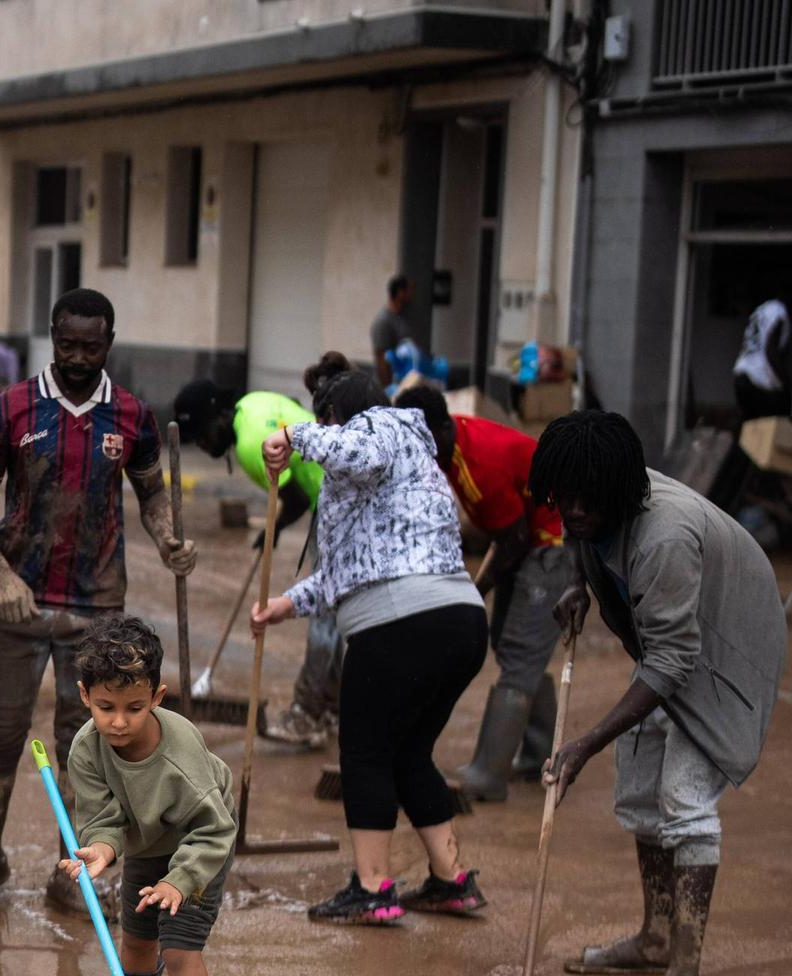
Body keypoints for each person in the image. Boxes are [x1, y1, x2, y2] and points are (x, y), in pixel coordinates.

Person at [537, 410, 786, 976]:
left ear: (616, 493)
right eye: (560, 499)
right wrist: (578, 585)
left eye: (581, 501)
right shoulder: (595, 492)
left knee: (683, 796)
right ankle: (654, 937)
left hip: (727, 646)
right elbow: (579, 532)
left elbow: (676, 661)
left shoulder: (664, 538)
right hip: (673, 640)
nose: (570, 511)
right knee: (641, 784)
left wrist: (584, 744)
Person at [0, 287, 196, 916]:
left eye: (91, 346)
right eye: (68, 344)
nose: (79, 356)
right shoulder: (12, 407)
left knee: (85, 742)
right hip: (20, 604)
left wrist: (168, 538)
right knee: (3, 730)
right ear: (52, 337)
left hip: (97, 607)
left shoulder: (133, 416)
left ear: (109, 343)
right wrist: (2, 576)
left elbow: (152, 494)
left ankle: (72, 872)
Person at [251, 352, 488, 925]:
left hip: (401, 627)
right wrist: (287, 604)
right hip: (456, 621)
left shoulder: (382, 427)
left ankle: (373, 888)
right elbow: (349, 571)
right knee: (408, 753)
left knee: (364, 754)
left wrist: (291, 434)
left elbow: (356, 447)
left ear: (336, 414)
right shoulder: (404, 464)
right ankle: (451, 881)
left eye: (324, 423)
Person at [61, 615, 236, 976]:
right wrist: (101, 847)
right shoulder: (86, 749)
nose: (119, 721)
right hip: (145, 837)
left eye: (135, 708)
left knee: (179, 949)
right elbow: (102, 817)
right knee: (137, 935)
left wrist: (180, 881)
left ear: (157, 697)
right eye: (106, 707)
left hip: (200, 839)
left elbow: (214, 827)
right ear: (84, 696)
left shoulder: (181, 758)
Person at [395, 385, 571, 800]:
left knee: (521, 652)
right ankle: (539, 754)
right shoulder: (452, 442)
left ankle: (488, 774)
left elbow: (511, 539)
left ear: (436, 429)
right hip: (528, 538)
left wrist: (474, 594)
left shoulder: (478, 470)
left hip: (555, 545)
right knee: (509, 644)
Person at [172, 377, 338, 748]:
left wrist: (273, 529)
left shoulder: (249, 446)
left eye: (202, 434)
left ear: (218, 416)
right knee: (339, 611)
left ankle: (308, 712)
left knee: (327, 613)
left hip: (336, 504)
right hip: (336, 493)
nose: (202, 444)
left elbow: (293, 499)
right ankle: (330, 709)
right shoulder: (253, 403)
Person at [732, 298, 790, 421]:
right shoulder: (779, 311)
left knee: (750, 427)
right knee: (774, 427)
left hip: (742, 371)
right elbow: (771, 352)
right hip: (759, 379)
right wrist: (786, 383)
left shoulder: (761, 310)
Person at [370, 275, 414, 386]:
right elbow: (381, 357)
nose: (411, 294)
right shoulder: (383, 321)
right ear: (400, 292)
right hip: (389, 384)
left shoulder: (401, 316)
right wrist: (387, 389)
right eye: (409, 290)